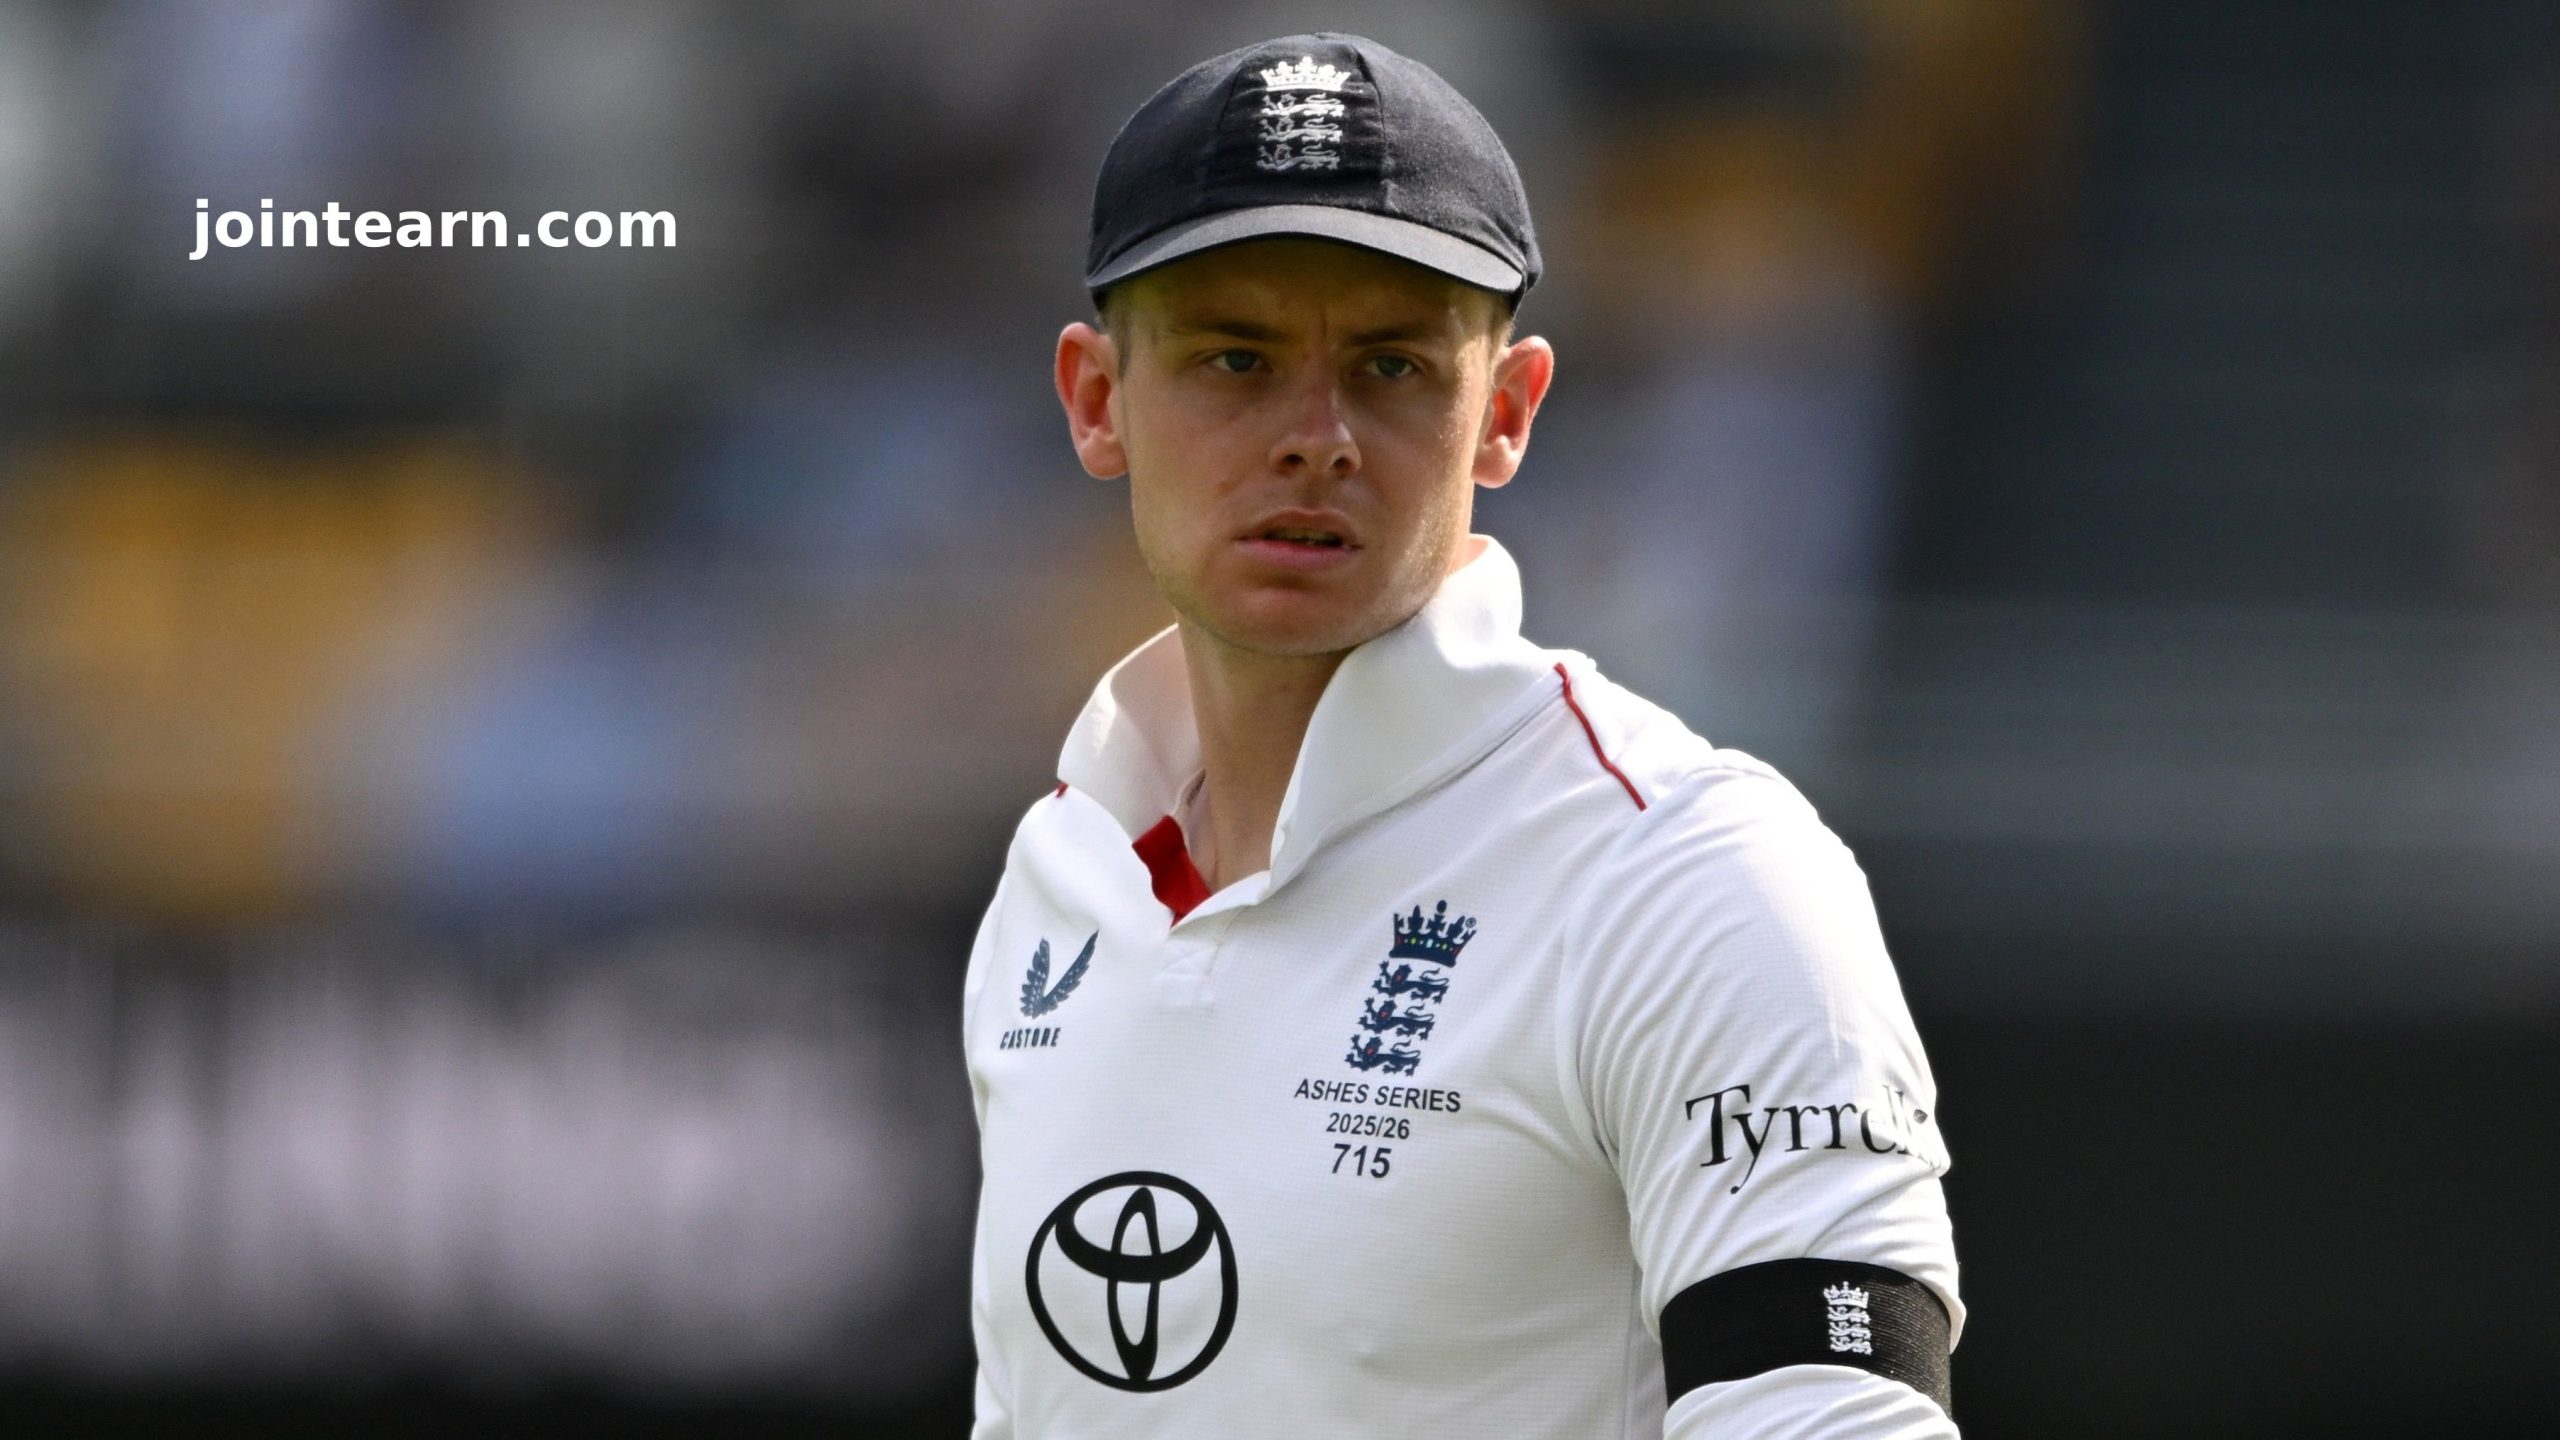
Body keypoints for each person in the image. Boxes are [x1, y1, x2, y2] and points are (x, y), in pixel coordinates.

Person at [962, 32, 1960, 1438]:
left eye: (1390, 366)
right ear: (1096, 401)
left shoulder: (1694, 877)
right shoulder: (1058, 879)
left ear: (1506, 413)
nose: (1315, 436)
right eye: (1235, 358)